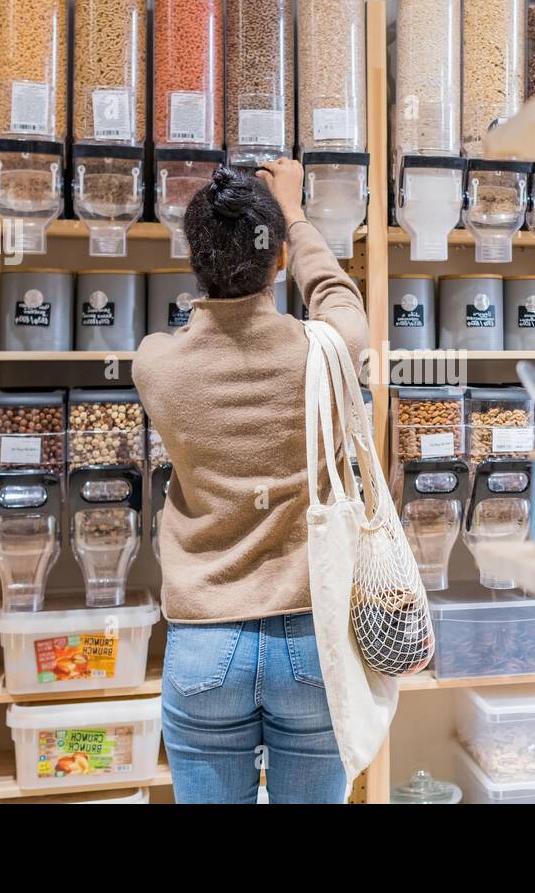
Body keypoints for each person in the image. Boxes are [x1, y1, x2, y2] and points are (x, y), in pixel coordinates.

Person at [133, 159, 369, 804]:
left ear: (193, 259)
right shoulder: (326, 349)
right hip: (311, 641)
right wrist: (293, 214)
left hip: (206, 643)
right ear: (280, 261)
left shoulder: (155, 364)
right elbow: (338, 296)